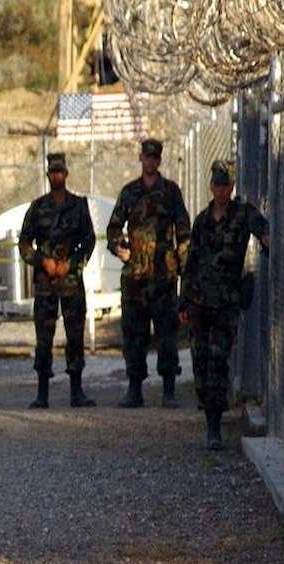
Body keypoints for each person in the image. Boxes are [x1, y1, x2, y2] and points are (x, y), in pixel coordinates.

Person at [179, 160, 269, 450]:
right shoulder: (202, 221)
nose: (221, 190)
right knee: (201, 367)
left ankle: (214, 429)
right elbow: (190, 264)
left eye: (226, 185)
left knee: (218, 362)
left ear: (232, 187)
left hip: (226, 305)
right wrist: (183, 300)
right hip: (199, 303)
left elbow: (264, 232)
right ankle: (209, 412)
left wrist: (270, 242)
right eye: (217, 185)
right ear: (211, 187)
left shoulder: (242, 214)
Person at [107, 138, 191, 409]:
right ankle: (134, 389)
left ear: (159, 160)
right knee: (134, 333)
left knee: (167, 334)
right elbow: (114, 228)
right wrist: (120, 249)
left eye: (155, 157)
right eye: (147, 157)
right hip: (135, 277)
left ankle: (169, 390)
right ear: (141, 158)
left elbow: (183, 230)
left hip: (163, 275)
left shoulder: (171, 192)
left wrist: (180, 262)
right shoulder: (130, 192)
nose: (151, 161)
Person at [18, 152, 98, 409]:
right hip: (45, 283)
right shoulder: (38, 207)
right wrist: (43, 261)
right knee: (44, 338)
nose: (57, 176)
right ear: (48, 174)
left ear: (66, 173)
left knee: (75, 336)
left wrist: (72, 264)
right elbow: (24, 243)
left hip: (71, 282)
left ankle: (76, 390)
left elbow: (89, 239)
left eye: (60, 172)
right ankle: (42, 393)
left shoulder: (78, 205)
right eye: (53, 172)